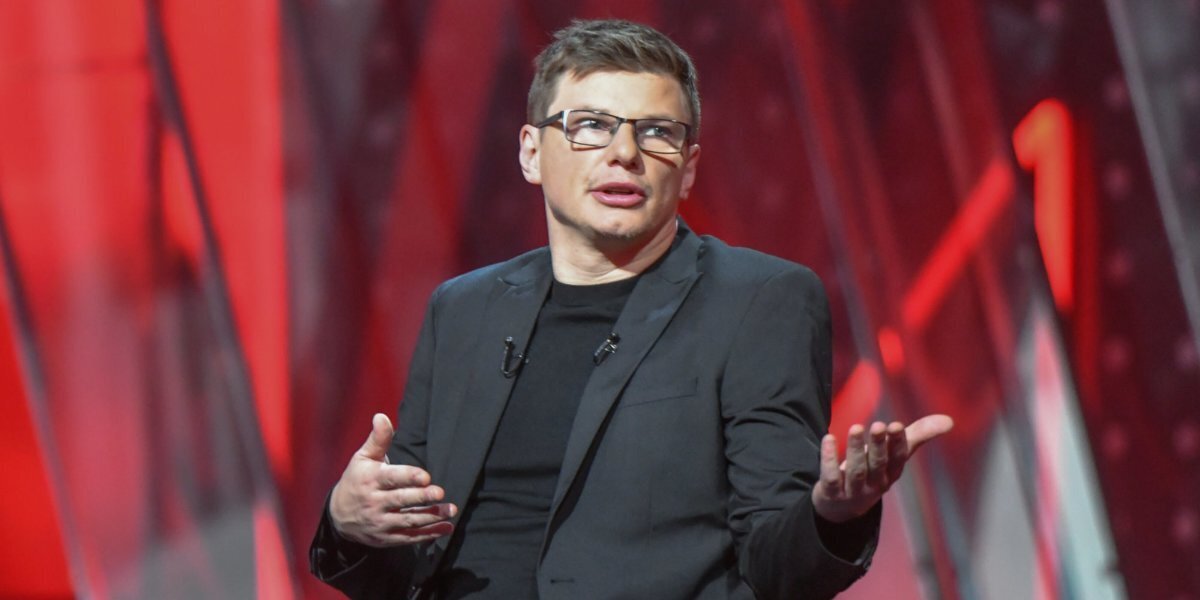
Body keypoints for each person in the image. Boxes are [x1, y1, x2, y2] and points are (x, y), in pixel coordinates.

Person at [309, 18, 953, 600]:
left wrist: (833, 516)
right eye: (591, 125)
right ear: (531, 153)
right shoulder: (464, 309)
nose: (625, 153)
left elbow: (777, 566)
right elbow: (403, 562)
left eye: (656, 132)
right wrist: (348, 520)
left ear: (688, 168)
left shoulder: (759, 301)